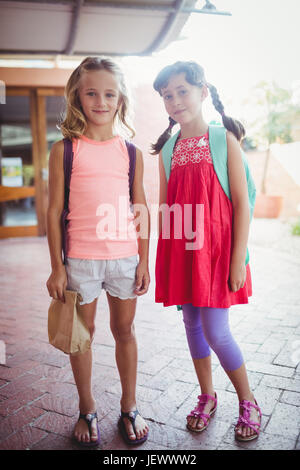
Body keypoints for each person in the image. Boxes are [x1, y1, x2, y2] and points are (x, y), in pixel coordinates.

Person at [152, 61, 262, 442]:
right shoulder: (168, 148)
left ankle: (248, 400)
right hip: (184, 254)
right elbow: (167, 208)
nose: (175, 100)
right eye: (168, 95)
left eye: (182, 91)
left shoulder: (223, 138)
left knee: (217, 331)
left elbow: (244, 203)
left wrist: (237, 259)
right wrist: (165, 262)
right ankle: (207, 396)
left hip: (217, 255)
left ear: (202, 92)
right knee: (192, 326)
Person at [46, 57, 150, 447]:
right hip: (81, 261)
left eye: (109, 93)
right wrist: (57, 267)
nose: (101, 101)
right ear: (78, 95)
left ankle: (129, 406)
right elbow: (54, 210)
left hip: (125, 258)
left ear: (120, 99)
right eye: (92, 93)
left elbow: (140, 207)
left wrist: (144, 259)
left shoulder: (132, 152)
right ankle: (86, 408)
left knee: (125, 331)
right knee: (82, 336)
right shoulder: (65, 150)